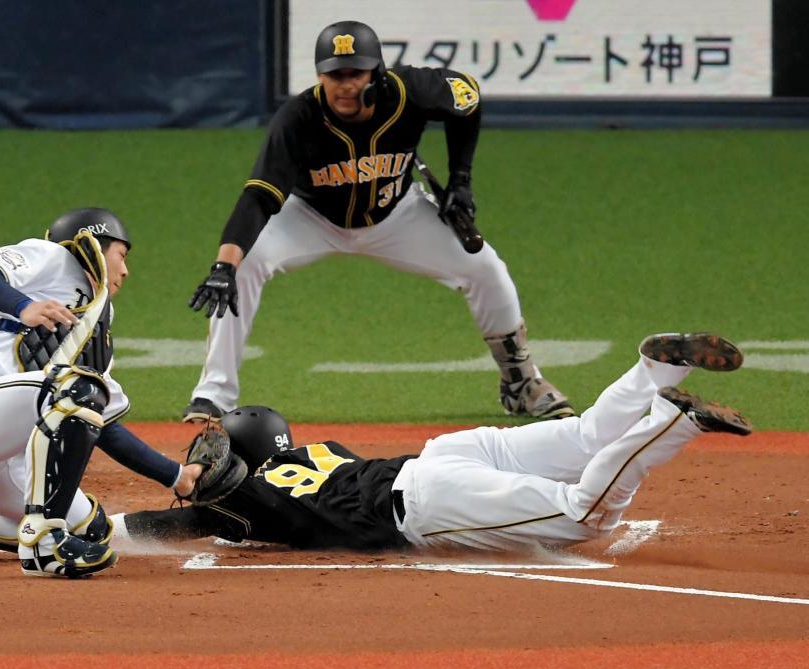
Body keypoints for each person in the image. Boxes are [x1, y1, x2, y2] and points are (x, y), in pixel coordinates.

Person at [183, 19, 572, 423]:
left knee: (486, 269)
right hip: (310, 217)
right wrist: (223, 267)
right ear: (320, 76)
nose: (345, 85)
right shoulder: (298, 117)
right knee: (243, 265)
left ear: (377, 73)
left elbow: (467, 97)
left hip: (397, 215)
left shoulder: (410, 92)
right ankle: (214, 395)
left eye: (355, 73)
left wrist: (461, 179)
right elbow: (259, 197)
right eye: (335, 74)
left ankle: (521, 383)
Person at [117, 333, 751, 553]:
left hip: (429, 499)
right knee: (587, 436)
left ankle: (672, 422)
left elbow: (165, 525)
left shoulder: (248, 501)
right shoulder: (323, 451)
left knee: (584, 514)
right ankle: (655, 370)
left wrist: (93, 527)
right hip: (443, 455)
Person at [0, 208, 202, 578]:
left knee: (90, 529)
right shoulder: (55, 258)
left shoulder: (96, 327)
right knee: (77, 390)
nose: (125, 271)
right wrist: (24, 306)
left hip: (2, 456)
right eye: (121, 255)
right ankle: (43, 545)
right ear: (94, 245)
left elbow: (102, 426)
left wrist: (177, 477)